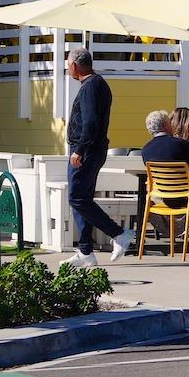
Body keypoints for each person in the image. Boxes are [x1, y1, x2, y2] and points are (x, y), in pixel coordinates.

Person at [64, 48, 128, 265]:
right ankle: (85, 252)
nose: (67, 68)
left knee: (77, 197)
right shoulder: (94, 84)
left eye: (67, 64)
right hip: (90, 148)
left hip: (86, 150)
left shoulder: (92, 86)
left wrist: (80, 149)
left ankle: (118, 233)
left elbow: (90, 122)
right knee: (82, 198)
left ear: (74, 65)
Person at [139, 108, 189, 260]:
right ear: (166, 125)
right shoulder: (181, 145)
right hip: (187, 197)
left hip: (165, 198)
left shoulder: (146, 150)